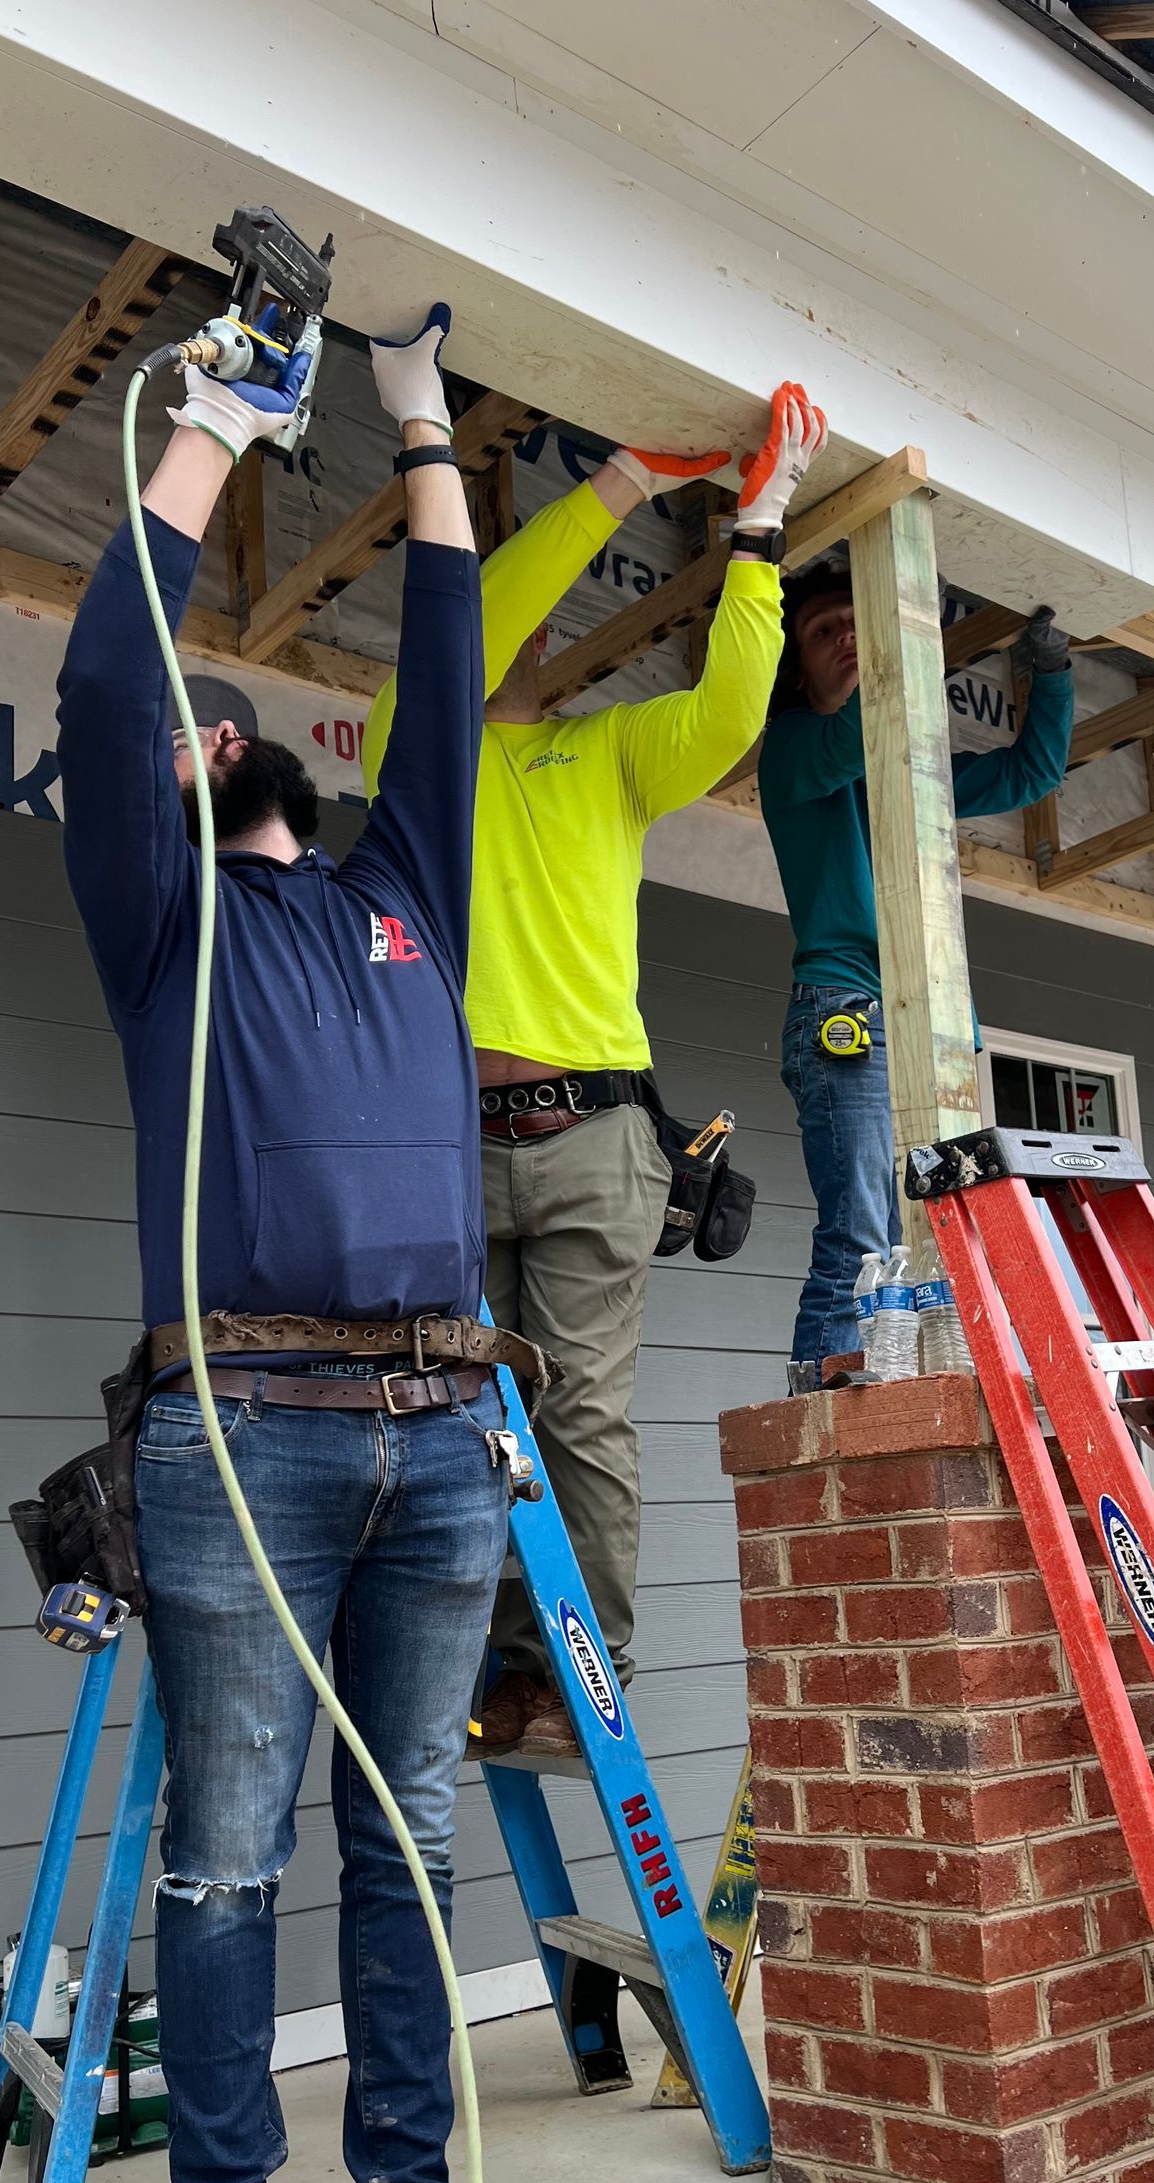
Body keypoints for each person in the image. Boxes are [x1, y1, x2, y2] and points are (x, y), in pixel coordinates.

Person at [55, 305, 552, 2183]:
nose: (199, 733)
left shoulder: (401, 888)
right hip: (242, 1430)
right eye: (183, 731)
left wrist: (418, 412)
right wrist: (226, 421)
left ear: (277, 758)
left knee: (411, 1842)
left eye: (225, 717)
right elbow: (108, 684)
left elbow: (448, 658)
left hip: (441, 1429)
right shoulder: (162, 922)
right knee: (232, 1852)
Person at [363, 386, 827, 1753]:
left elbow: (733, 703)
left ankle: (573, 1677)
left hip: (595, 1138)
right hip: (450, 1144)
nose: (506, 634)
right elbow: (461, 627)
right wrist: (617, 482)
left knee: (578, 1424)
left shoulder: (609, 752)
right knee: (457, 1416)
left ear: (556, 645)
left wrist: (759, 528)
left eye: (527, 625)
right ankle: (476, 1666)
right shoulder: (413, 748)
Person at [759, 568, 1075, 1381]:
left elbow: (1030, 774)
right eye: (824, 631)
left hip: (931, 1023)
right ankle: (822, 1421)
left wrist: (1050, 671)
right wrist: (899, 623)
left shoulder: (904, 771)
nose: (846, 636)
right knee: (862, 1238)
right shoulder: (793, 747)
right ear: (798, 668)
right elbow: (858, 733)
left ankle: (909, 1407)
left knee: (939, 1243)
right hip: (848, 1012)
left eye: (856, 621)